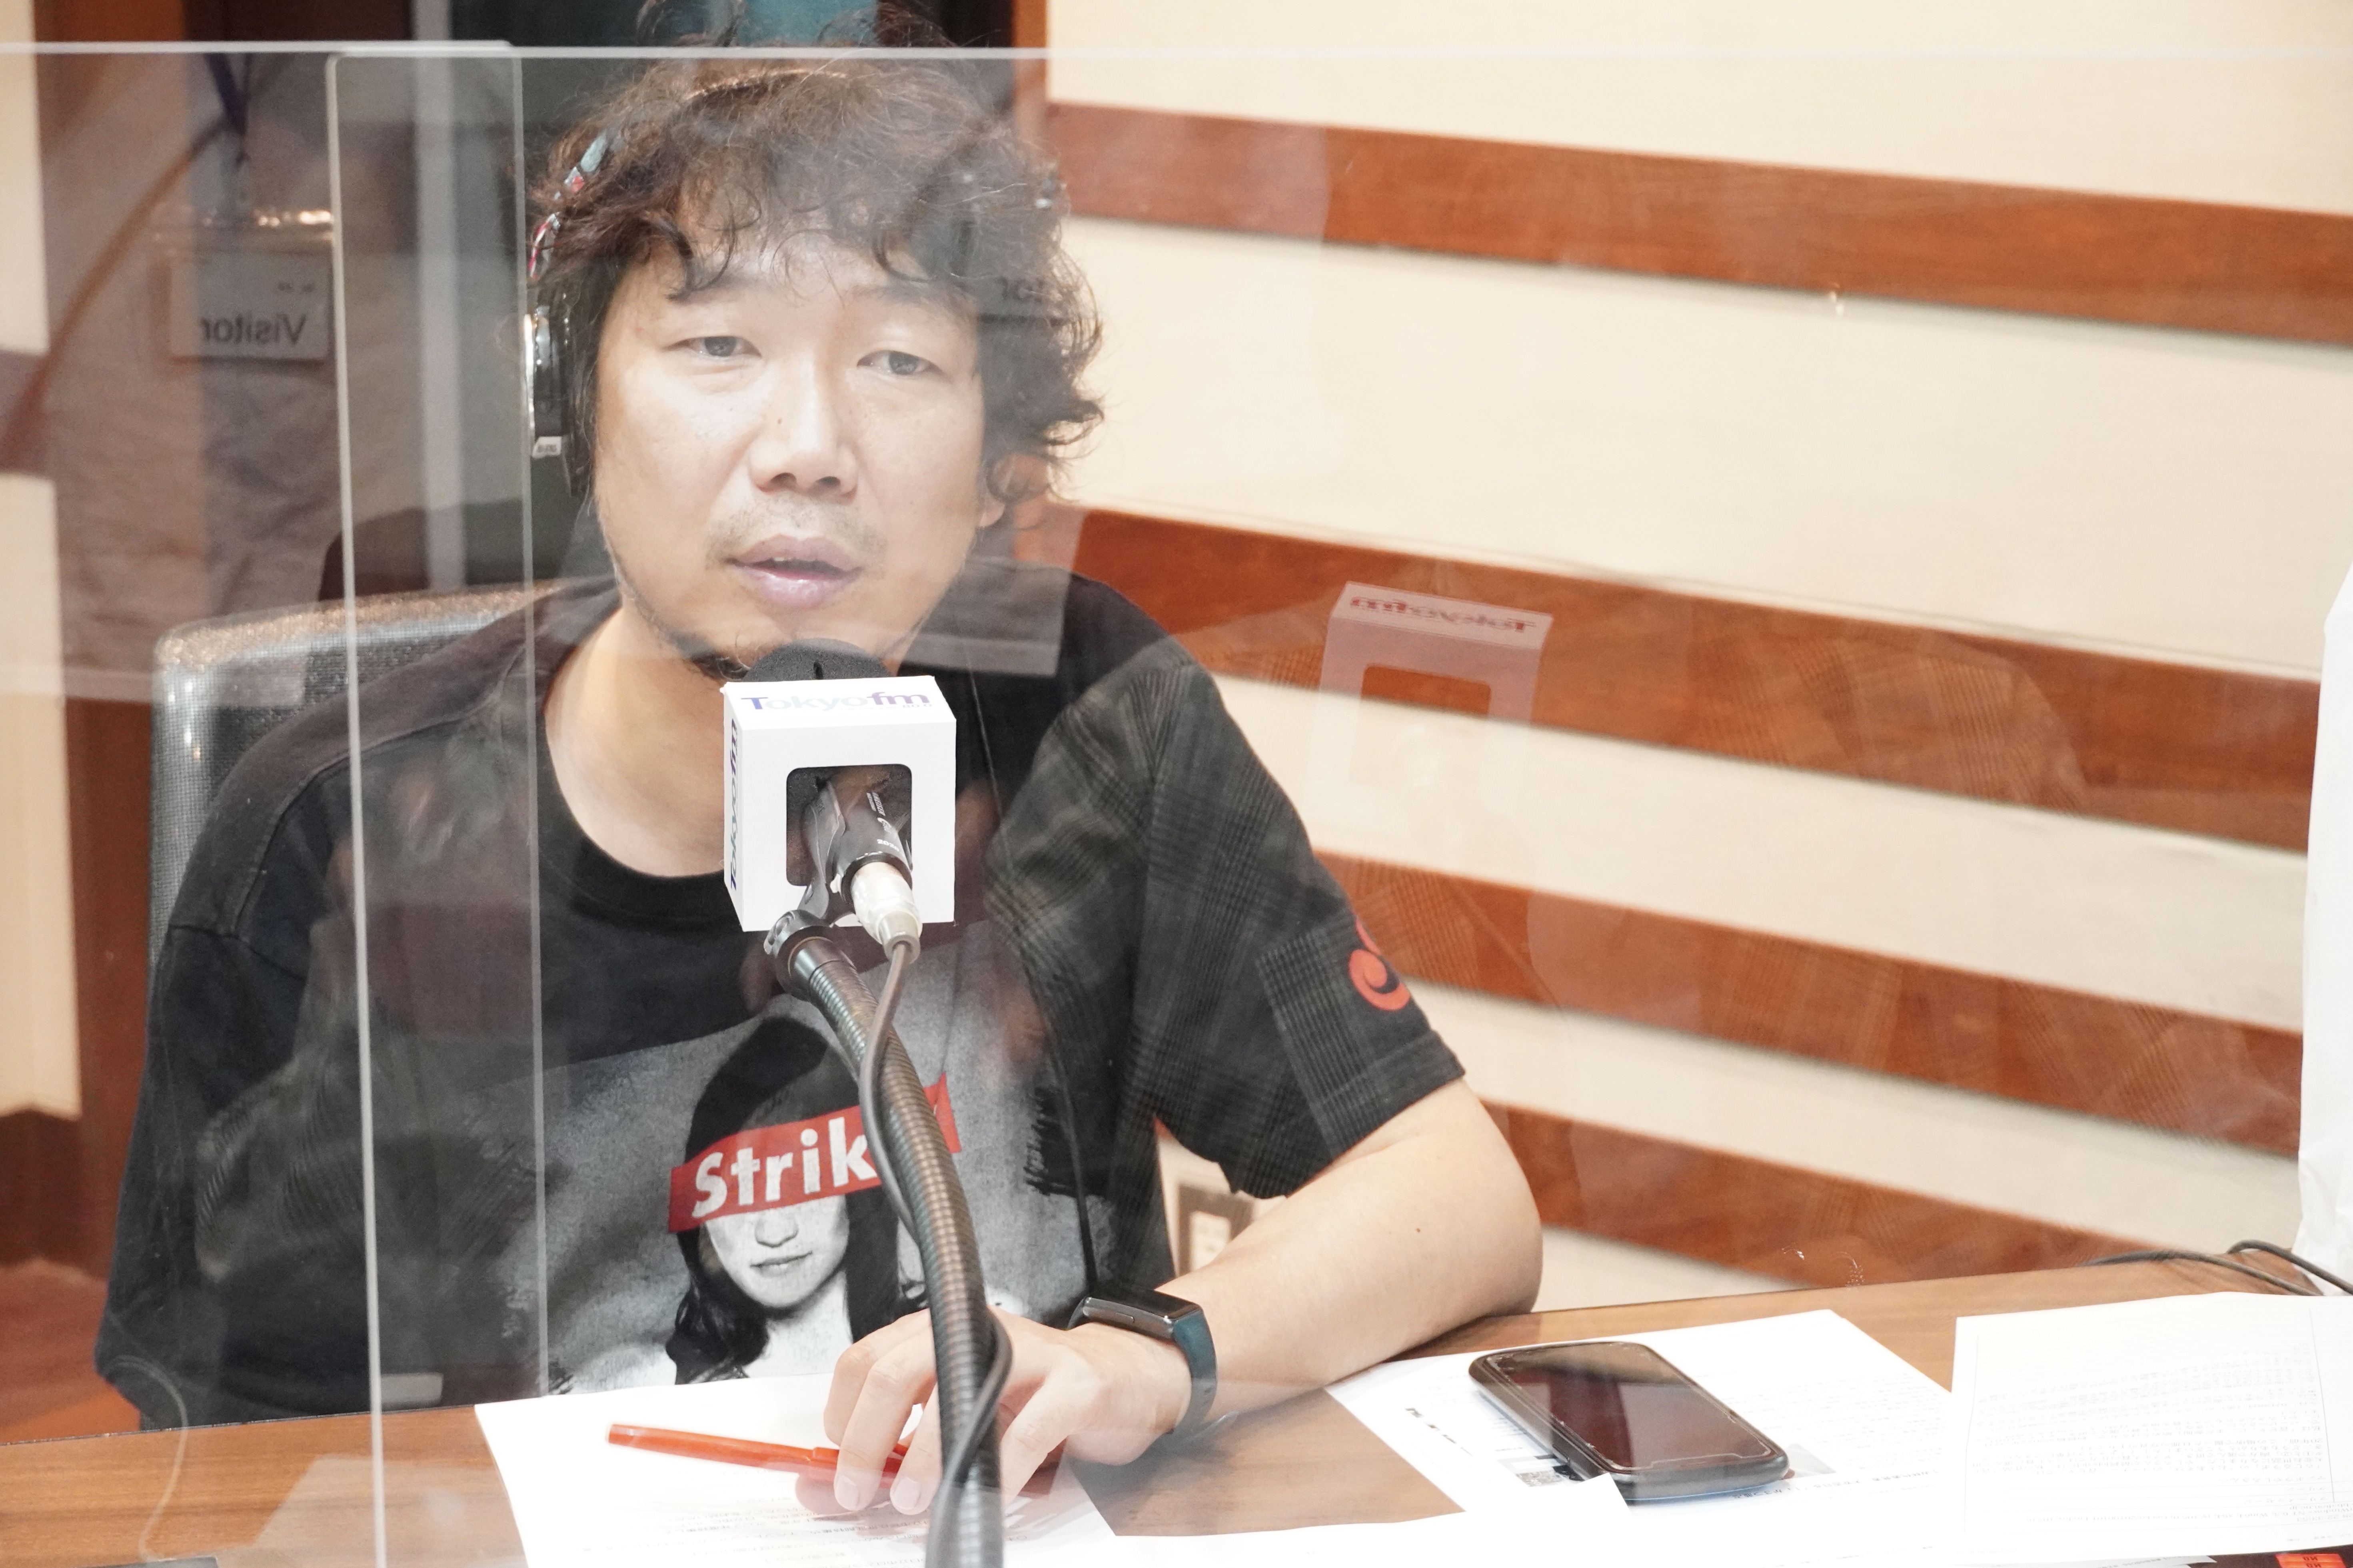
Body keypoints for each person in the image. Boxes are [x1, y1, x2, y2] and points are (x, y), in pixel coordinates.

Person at [100, 53, 1540, 1512]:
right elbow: (227, 1470)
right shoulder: (349, 834)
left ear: (996, 454)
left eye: (898, 362)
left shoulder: (1081, 712)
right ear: (570, 403)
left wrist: (1145, 1356)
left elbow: (1456, 1191)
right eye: (718, 342)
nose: (807, 452)